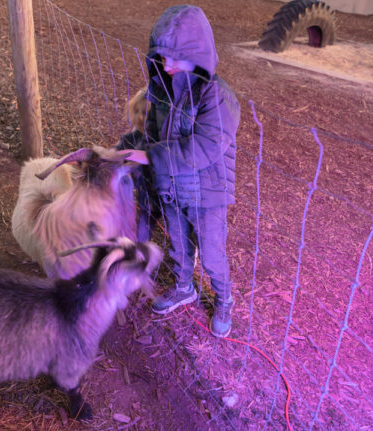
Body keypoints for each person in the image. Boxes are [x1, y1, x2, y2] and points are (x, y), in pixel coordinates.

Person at [142, 5, 240, 337]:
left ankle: (224, 297)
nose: (166, 65)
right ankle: (185, 286)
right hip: (172, 185)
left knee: (212, 252)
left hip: (207, 192)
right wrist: (142, 151)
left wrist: (149, 157)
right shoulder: (162, 87)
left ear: (197, 54)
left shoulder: (217, 96)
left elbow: (206, 147)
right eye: (162, 57)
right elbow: (153, 131)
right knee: (179, 246)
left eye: (175, 58)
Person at [116, 88, 161, 242]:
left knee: (179, 233)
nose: (140, 117)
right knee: (142, 234)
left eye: (146, 113)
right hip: (146, 199)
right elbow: (115, 154)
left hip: (167, 197)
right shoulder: (129, 139)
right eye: (136, 111)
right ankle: (141, 256)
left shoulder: (161, 140)